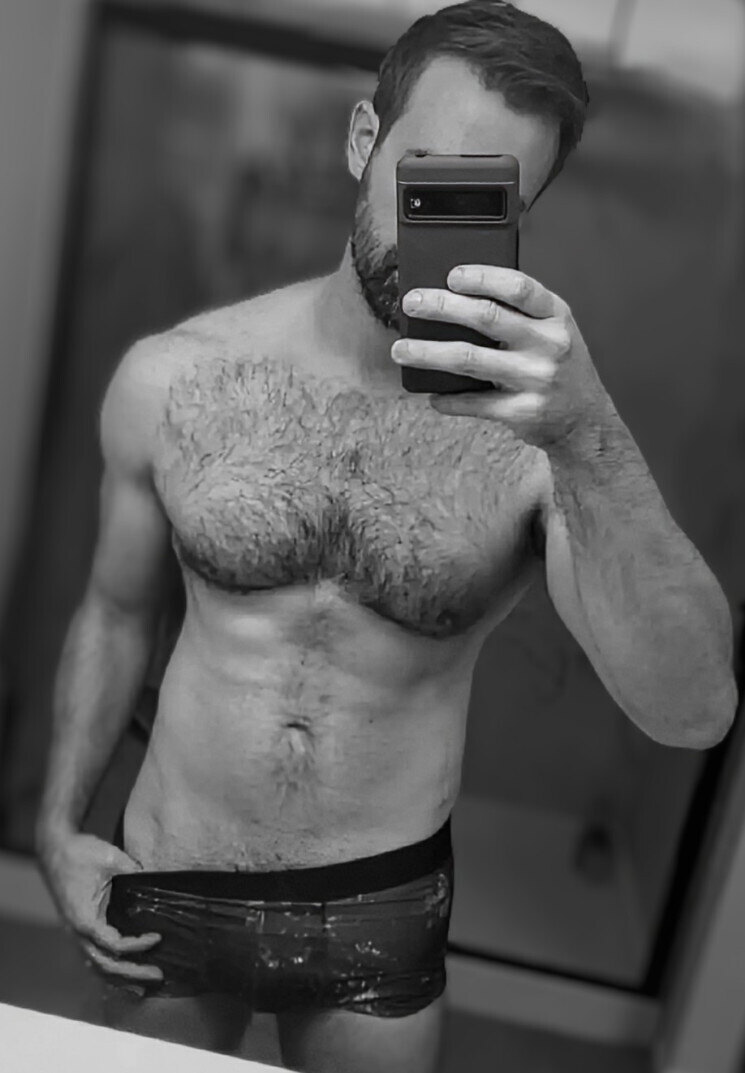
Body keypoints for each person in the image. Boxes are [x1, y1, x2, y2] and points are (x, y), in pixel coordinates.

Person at [35, 2, 738, 1071]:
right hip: (172, 865)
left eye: (482, 198)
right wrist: (56, 822)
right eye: (425, 179)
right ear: (363, 141)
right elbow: (117, 610)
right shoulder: (176, 378)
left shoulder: (539, 446)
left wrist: (587, 431)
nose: (435, 227)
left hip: (379, 896)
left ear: (521, 215)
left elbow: (693, 710)